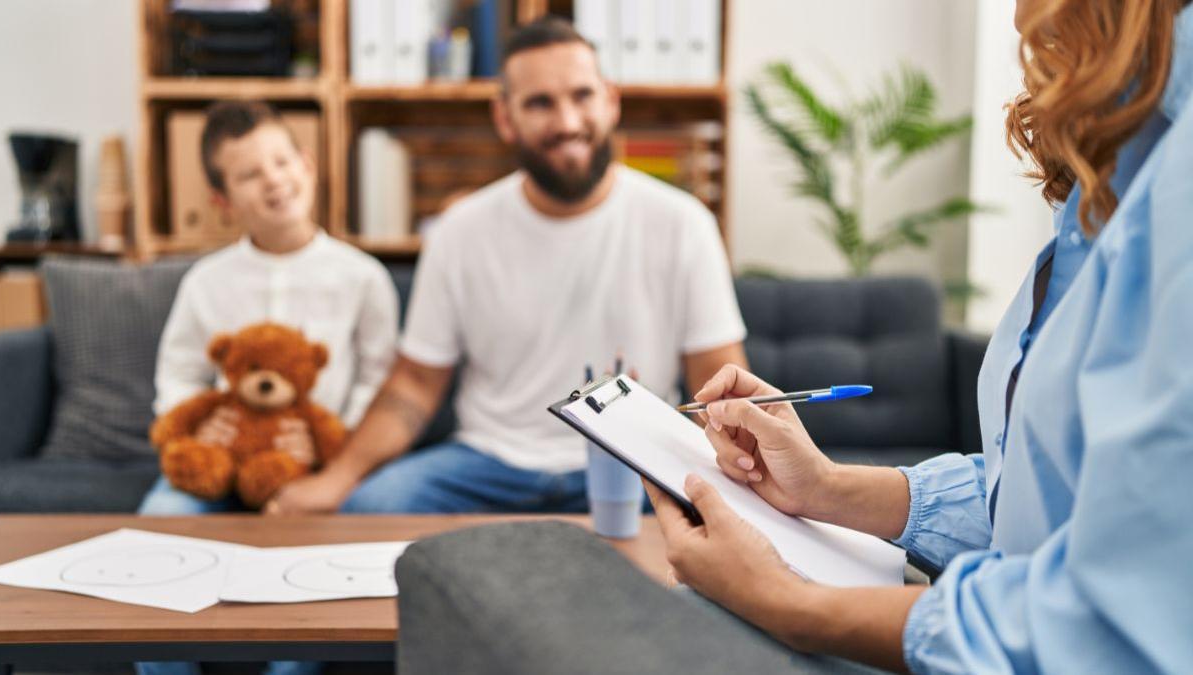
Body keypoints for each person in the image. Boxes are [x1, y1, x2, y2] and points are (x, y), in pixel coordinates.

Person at [645, 0, 1193, 672]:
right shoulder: (1117, 165)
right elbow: (1036, 496)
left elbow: (1114, 629)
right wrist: (823, 486)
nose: (1028, 42)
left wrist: (787, 600)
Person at [264, 17, 747, 516]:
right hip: (487, 463)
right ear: (505, 118)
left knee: (730, 523)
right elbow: (413, 386)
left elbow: (718, 378)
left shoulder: (684, 223)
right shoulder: (459, 231)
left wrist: (741, 482)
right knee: (368, 507)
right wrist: (336, 480)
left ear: (610, 101)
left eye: (581, 96)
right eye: (540, 103)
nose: (567, 121)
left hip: (636, 462)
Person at [136, 101, 398, 675]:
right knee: (158, 532)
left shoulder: (363, 278)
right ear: (224, 201)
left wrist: (334, 447)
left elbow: (379, 380)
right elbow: (177, 373)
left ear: (307, 164)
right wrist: (203, 429)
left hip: (308, 466)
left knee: (314, 573)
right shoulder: (207, 282)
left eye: (281, 161)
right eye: (250, 174)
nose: (274, 180)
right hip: (218, 458)